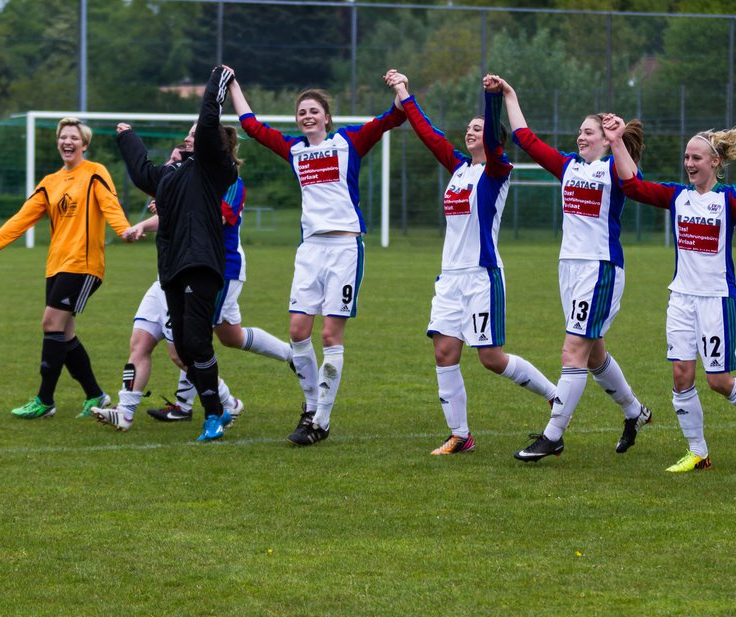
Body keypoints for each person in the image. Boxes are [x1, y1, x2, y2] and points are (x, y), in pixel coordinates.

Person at [231, 72, 408, 446]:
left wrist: (400, 89)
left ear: (327, 117)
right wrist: (232, 85)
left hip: (344, 248)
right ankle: (311, 407)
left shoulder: (349, 141)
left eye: (314, 111)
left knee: (329, 334)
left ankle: (322, 419)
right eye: (301, 112)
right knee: (297, 331)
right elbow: (252, 127)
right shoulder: (294, 149)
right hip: (310, 249)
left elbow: (394, 117)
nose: (307, 116)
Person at [606, 117, 736, 471]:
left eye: (697, 158)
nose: (689, 164)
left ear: (715, 162)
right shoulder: (678, 195)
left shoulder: (727, 195)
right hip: (681, 298)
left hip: (717, 300)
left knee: (718, 381)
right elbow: (633, 186)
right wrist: (616, 141)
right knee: (680, 374)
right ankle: (698, 452)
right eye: (687, 157)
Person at [485, 75, 651, 463]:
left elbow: (635, 180)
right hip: (569, 270)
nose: (581, 137)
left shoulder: (612, 170)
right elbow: (525, 137)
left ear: (605, 140)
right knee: (593, 356)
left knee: (572, 351)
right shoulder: (569, 167)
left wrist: (617, 140)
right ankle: (634, 413)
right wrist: (510, 93)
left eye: (589, 132)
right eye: (580, 131)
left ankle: (553, 435)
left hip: (600, 270)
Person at [394, 70, 560, 455]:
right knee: (444, 352)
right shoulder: (458, 169)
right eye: (468, 128)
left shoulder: (497, 172)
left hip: (483, 277)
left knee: (490, 358)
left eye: (478, 128)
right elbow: (428, 134)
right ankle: (460, 435)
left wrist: (492, 98)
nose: (470, 132)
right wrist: (404, 92)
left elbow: (492, 140)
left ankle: (555, 395)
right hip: (450, 278)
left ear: (493, 140)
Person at [0, 118, 131, 419]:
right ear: (58, 142)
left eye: (74, 137)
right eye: (63, 137)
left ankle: (45, 401)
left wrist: (124, 230)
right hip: (56, 266)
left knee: (50, 323)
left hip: (83, 265)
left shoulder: (95, 172)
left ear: (85, 144)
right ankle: (95, 395)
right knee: (64, 334)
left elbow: (110, 205)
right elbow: (20, 220)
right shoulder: (49, 182)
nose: (68, 142)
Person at [116, 65, 240, 442]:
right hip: (171, 267)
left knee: (198, 341)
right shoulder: (170, 175)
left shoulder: (216, 170)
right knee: (185, 346)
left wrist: (217, 81)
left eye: (194, 136)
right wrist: (127, 137)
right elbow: (141, 173)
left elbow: (206, 126)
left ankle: (215, 415)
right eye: (186, 136)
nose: (189, 139)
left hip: (201, 263)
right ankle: (220, 408)